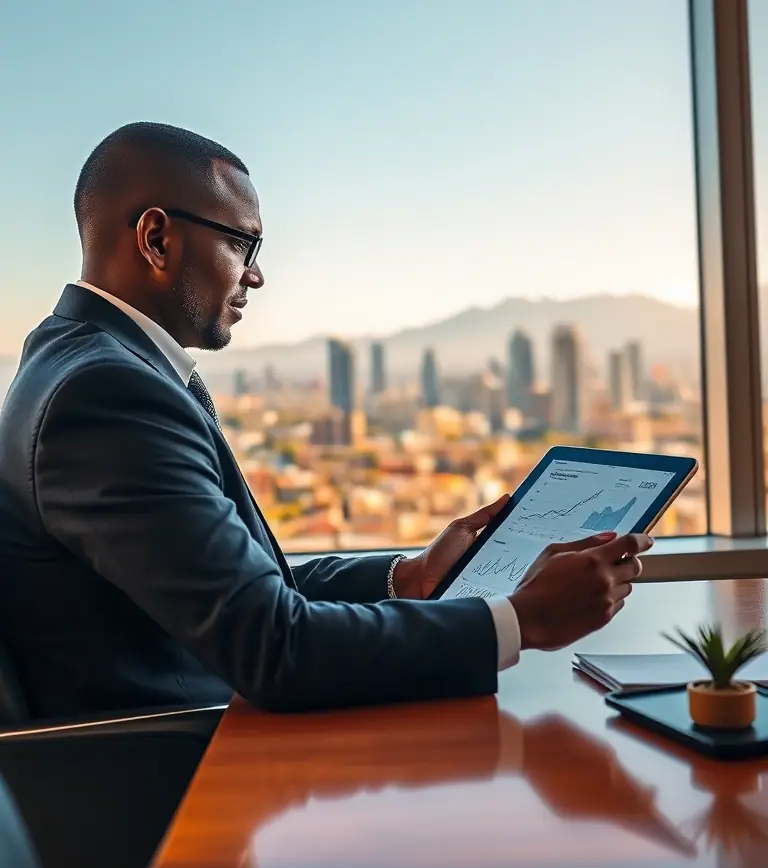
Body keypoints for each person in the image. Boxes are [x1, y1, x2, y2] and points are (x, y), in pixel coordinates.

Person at [0, 123, 650, 720]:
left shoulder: (88, 362)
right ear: (157, 238)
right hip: (171, 776)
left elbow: (246, 588)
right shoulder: (107, 394)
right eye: (243, 241)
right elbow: (274, 647)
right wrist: (519, 620)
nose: (256, 273)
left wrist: (409, 578)